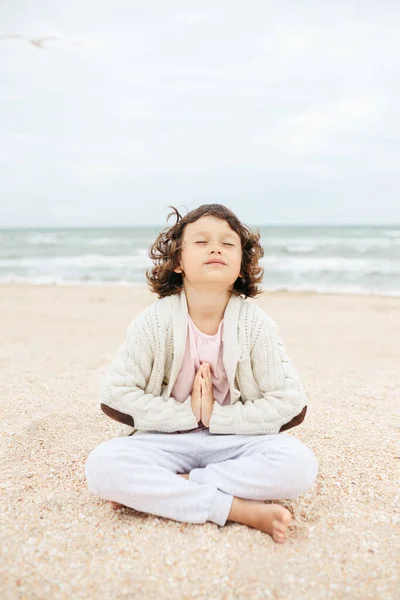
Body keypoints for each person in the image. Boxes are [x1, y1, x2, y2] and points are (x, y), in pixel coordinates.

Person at [84, 204, 318, 543]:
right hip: (164, 440)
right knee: (102, 465)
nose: (215, 248)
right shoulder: (154, 320)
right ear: (178, 262)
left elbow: (290, 403)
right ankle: (236, 509)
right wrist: (189, 413)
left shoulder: (257, 324)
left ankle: (173, 487)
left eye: (228, 243)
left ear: (241, 265)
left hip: (238, 443)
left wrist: (215, 416)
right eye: (201, 242)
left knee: (299, 465)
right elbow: (115, 394)